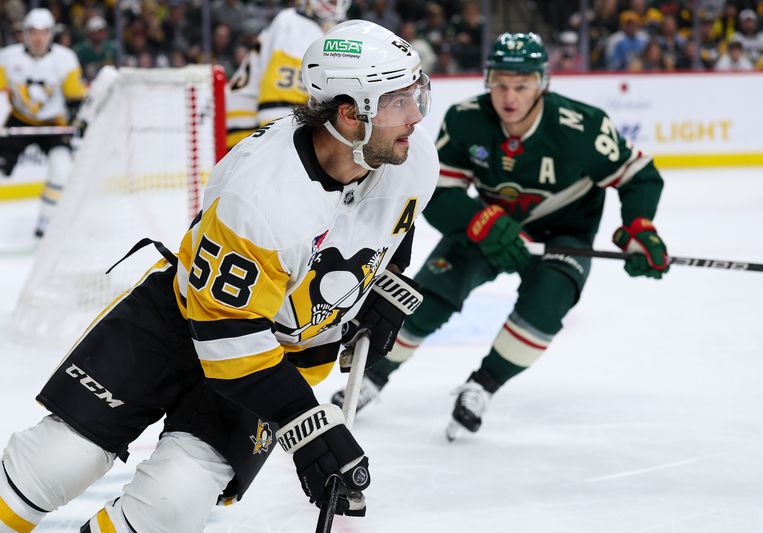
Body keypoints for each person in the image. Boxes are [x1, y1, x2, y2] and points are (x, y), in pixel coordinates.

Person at [0, 20, 436, 532]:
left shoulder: (412, 158)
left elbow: (390, 232)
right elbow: (228, 338)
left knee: (173, 502)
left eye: (417, 93)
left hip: (282, 350)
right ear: (348, 113)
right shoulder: (263, 195)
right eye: (397, 101)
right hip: (186, 323)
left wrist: (380, 288)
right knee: (57, 459)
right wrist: (307, 426)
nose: (416, 116)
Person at [333, 32, 669, 441]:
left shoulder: (581, 127)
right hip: (490, 226)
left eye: (522, 86)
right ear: (489, 81)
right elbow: (436, 189)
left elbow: (639, 175)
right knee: (428, 295)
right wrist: (480, 220)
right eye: (501, 85)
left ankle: (483, 386)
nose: (509, 97)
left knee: (546, 306)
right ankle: (375, 378)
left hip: (564, 235)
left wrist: (640, 227)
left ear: (542, 84)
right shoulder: (466, 119)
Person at [0, 8, 86, 238]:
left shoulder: (65, 59)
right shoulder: (7, 58)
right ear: (24, 34)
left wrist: (80, 119)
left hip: (54, 123)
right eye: (33, 32)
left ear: (51, 34)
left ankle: (45, 224)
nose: (38, 37)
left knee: (62, 169)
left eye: (44, 32)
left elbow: (75, 98)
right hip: (19, 120)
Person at [225, 0, 351, 149]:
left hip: (252, 124)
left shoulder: (313, 26)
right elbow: (277, 111)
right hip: (243, 127)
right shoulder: (294, 25)